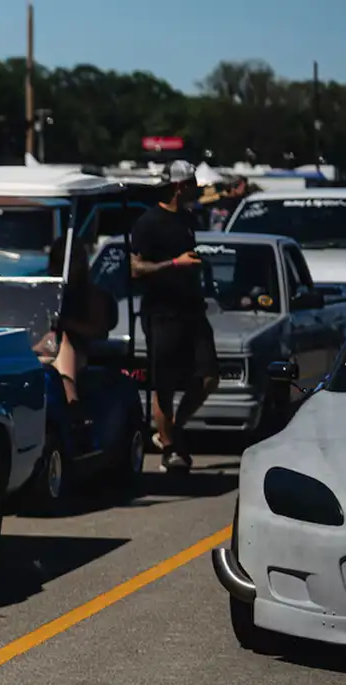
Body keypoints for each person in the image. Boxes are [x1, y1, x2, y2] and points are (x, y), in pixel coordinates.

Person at [129, 160, 217, 471]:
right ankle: (169, 448)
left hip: (192, 309)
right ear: (180, 186)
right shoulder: (148, 223)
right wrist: (174, 264)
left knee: (208, 378)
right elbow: (135, 268)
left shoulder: (189, 219)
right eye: (193, 183)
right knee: (163, 384)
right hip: (162, 313)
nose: (197, 188)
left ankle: (175, 428)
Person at [36, 235, 113, 436]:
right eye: (58, 262)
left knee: (65, 341)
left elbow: (100, 331)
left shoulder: (92, 296)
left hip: (79, 351)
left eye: (68, 262)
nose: (63, 268)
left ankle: (72, 401)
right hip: (42, 349)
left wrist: (67, 325)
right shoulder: (45, 292)